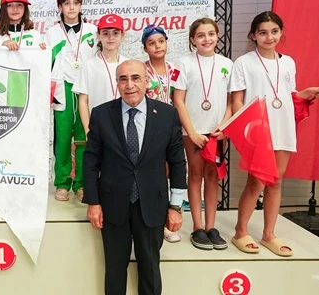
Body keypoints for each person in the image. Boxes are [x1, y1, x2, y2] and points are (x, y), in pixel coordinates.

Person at [83, 59, 186, 295]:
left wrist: (175, 206)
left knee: (150, 268)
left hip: (152, 205)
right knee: (114, 268)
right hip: (112, 205)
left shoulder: (167, 114)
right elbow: (90, 161)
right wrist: (93, 202)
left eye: (136, 78)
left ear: (146, 81)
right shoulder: (101, 114)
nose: (130, 85)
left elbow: (177, 162)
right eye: (123, 79)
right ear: (117, 83)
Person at [230, 11, 319, 257]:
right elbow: (237, 100)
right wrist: (243, 132)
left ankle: (269, 233)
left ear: (281, 33)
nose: (269, 37)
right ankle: (241, 231)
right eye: (263, 32)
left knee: (276, 181)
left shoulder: (288, 62)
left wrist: (306, 93)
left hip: (283, 126)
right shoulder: (244, 63)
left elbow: (289, 95)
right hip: (257, 130)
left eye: (274, 31)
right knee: (256, 182)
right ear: (253, 35)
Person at [172, 17, 232, 250]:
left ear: (217, 36)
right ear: (192, 40)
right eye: (200, 35)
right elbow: (178, 100)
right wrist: (191, 132)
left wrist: (224, 126)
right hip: (193, 132)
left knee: (213, 176)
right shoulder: (184, 63)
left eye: (211, 34)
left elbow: (231, 101)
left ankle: (211, 227)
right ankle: (198, 227)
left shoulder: (227, 64)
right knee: (195, 175)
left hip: (217, 132)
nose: (206, 39)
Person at [45, 0, 97, 202]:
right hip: (63, 88)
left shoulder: (93, 30)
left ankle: (82, 183)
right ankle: (62, 182)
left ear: (81, 5)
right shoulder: (52, 32)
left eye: (76, 3)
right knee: (63, 138)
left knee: (85, 137)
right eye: (67, 3)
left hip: (86, 89)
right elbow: (46, 62)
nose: (72, 7)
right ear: (60, 7)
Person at [141, 24, 182, 243]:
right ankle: (152, 220)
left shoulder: (176, 69)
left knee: (170, 172)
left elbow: (182, 99)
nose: (157, 46)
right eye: (151, 43)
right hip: (150, 129)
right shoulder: (142, 71)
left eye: (161, 41)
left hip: (172, 128)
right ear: (145, 48)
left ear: (167, 42)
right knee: (153, 175)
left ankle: (169, 219)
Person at [73, 13, 127, 165]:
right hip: (98, 129)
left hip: (124, 127)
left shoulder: (128, 64)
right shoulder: (88, 65)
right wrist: (88, 131)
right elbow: (83, 101)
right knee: (100, 169)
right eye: (106, 33)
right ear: (98, 36)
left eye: (115, 33)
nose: (110, 38)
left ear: (123, 36)